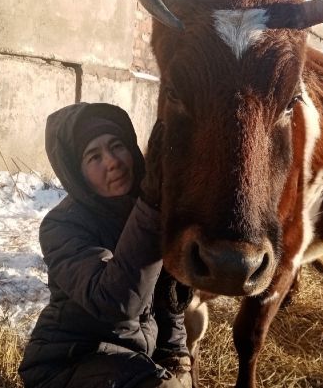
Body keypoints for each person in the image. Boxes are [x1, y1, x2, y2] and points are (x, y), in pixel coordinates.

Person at [18, 102, 192, 388]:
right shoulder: (62, 226)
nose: (112, 161)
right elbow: (115, 301)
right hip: (69, 363)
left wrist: (176, 354)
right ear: (77, 173)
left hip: (128, 361)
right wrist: (151, 211)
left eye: (117, 145)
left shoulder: (146, 209)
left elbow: (168, 294)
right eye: (93, 156)